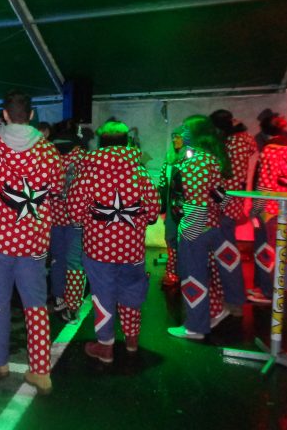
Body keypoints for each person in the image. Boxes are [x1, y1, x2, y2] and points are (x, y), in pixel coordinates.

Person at [0, 90, 63, 394]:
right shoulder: (48, 150)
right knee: (36, 305)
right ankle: (41, 371)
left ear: (5, 115)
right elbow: (55, 193)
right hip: (34, 243)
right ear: (31, 115)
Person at [68, 121, 160, 361]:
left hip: (98, 251)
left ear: (101, 143)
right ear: (126, 142)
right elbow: (153, 214)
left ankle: (105, 345)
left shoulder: (88, 173)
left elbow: (75, 213)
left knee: (103, 295)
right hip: (133, 250)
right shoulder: (140, 173)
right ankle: (131, 341)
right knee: (132, 292)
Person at [167, 115, 233, 340]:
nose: (182, 132)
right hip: (211, 226)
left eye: (186, 128)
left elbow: (196, 201)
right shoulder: (212, 159)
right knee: (204, 274)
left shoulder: (194, 162)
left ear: (195, 133)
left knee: (192, 276)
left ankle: (195, 327)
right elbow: (219, 196)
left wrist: (187, 230)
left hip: (195, 228)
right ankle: (214, 311)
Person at [210, 110, 257, 315]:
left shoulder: (233, 144)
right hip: (231, 205)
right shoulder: (243, 140)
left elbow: (229, 182)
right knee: (227, 253)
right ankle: (232, 297)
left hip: (225, 207)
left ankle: (234, 300)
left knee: (226, 255)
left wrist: (218, 205)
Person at [248, 116, 287, 304]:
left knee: (264, 248)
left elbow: (265, 183)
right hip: (281, 205)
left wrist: (255, 209)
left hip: (267, 208)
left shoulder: (270, 150)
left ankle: (267, 291)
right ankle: (264, 287)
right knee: (272, 249)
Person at [48, 123, 87, 323]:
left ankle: (59, 298)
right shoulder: (82, 158)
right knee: (74, 262)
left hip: (54, 218)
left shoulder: (48, 156)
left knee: (58, 260)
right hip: (76, 220)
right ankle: (72, 305)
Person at [157, 127, 185, 287]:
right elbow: (162, 187)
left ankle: (186, 272)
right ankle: (172, 272)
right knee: (171, 238)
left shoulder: (193, 162)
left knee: (187, 240)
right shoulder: (168, 163)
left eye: (179, 137)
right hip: (171, 208)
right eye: (174, 137)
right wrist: (162, 209)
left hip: (190, 207)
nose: (175, 140)